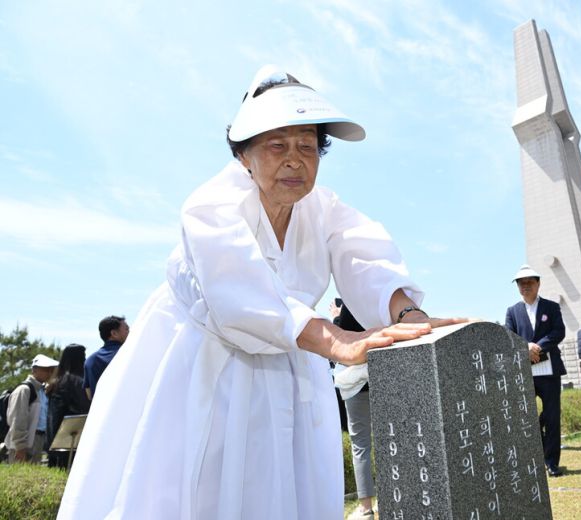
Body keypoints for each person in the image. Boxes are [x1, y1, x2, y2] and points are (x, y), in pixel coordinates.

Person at [58, 65, 461, 520]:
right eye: (277, 145)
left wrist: (409, 317)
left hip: (292, 369)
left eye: (307, 145)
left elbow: (365, 257)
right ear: (244, 154)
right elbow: (240, 292)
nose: (295, 160)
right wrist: (338, 340)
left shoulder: (322, 208)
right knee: (202, 493)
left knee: (288, 490)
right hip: (204, 374)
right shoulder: (211, 205)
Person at [505, 264, 566, 477]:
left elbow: (559, 331)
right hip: (525, 372)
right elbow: (509, 337)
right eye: (521, 283)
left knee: (552, 417)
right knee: (527, 417)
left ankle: (552, 462)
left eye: (530, 282)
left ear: (538, 283)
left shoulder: (551, 307)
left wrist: (538, 346)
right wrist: (526, 347)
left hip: (549, 371)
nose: (526, 286)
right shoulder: (513, 311)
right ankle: (536, 458)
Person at [333, 305, 376, 520]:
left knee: (360, 446)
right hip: (381, 378)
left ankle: (366, 507)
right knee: (390, 438)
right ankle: (395, 493)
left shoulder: (349, 309)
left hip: (355, 385)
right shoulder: (375, 306)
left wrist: (336, 319)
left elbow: (338, 345)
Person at [4, 354, 58, 463]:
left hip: (37, 440)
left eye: (51, 370)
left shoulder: (42, 390)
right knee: (20, 473)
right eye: (46, 369)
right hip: (24, 444)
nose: (49, 373)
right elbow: (17, 420)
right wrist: (20, 447)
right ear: (34, 370)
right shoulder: (24, 390)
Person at [46, 344, 91, 468]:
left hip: (61, 438)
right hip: (77, 435)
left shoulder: (58, 381)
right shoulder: (80, 382)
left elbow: (53, 417)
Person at [83, 315, 129, 400]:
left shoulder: (90, 360)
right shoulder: (128, 354)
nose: (129, 332)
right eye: (126, 329)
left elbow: (89, 395)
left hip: (100, 408)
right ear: (114, 334)